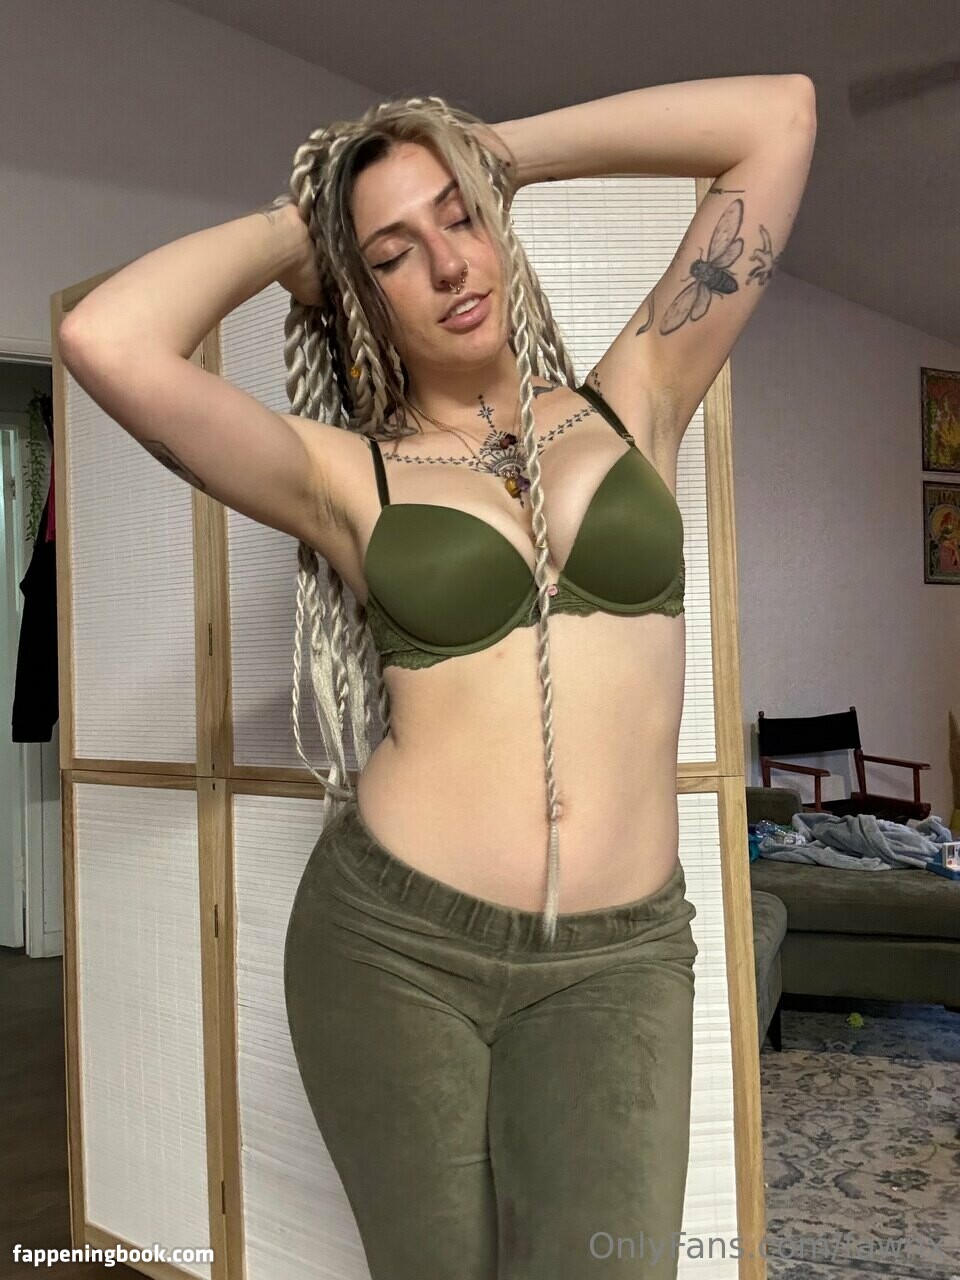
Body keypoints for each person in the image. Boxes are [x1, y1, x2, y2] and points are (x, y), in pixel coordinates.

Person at [61, 80, 816, 1278]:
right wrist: (300, 225)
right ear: (357, 293)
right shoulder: (343, 476)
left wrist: (495, 149)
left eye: (460, 217)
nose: (449, 263)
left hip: (619, 959)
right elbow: (104, 340)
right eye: (392, 254)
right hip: (392, 948)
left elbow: (781, 118)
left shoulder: (638, 395)